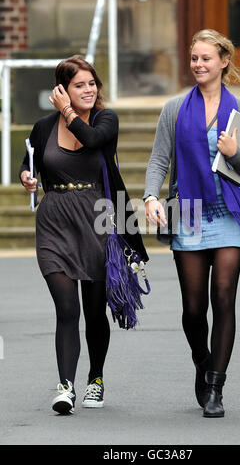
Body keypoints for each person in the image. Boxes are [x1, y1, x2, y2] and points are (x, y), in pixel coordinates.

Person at [144, 29, 240, 418]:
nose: (198, 65)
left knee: (223, 296)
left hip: (231, 213)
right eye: (194, 58)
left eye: (206, 59)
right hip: (187, 213)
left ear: (223, 62)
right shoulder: (174, 108)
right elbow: (159, 160)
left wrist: (235, 154)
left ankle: (215, 387)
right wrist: (151, 197)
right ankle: (202, 360)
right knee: (193, 310)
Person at [19, 55, 148, 415]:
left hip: (97, 219)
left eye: (92, 83)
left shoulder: (107, 120)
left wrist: (69, 113)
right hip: (54, 221)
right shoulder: (44, 126)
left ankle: (95, 379)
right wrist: (26, 177)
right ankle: (65, 387)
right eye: (80, 85)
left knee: (94, 312)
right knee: (67, 308)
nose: (89, 90)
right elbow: (28, 161)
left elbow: (92, 141)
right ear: (63, 89)